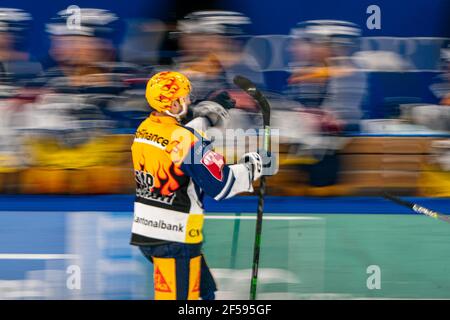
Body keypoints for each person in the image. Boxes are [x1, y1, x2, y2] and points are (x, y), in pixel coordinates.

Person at [130, 71, 264, 300]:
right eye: (183, 98)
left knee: (206, 295)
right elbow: (220, 185)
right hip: (175, 237)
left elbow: (180, 137)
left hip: (150, 233)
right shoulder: (185, 140)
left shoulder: (145, 128)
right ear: (173, 103)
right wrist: (252, 168)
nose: (189, 101)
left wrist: (207, 117)